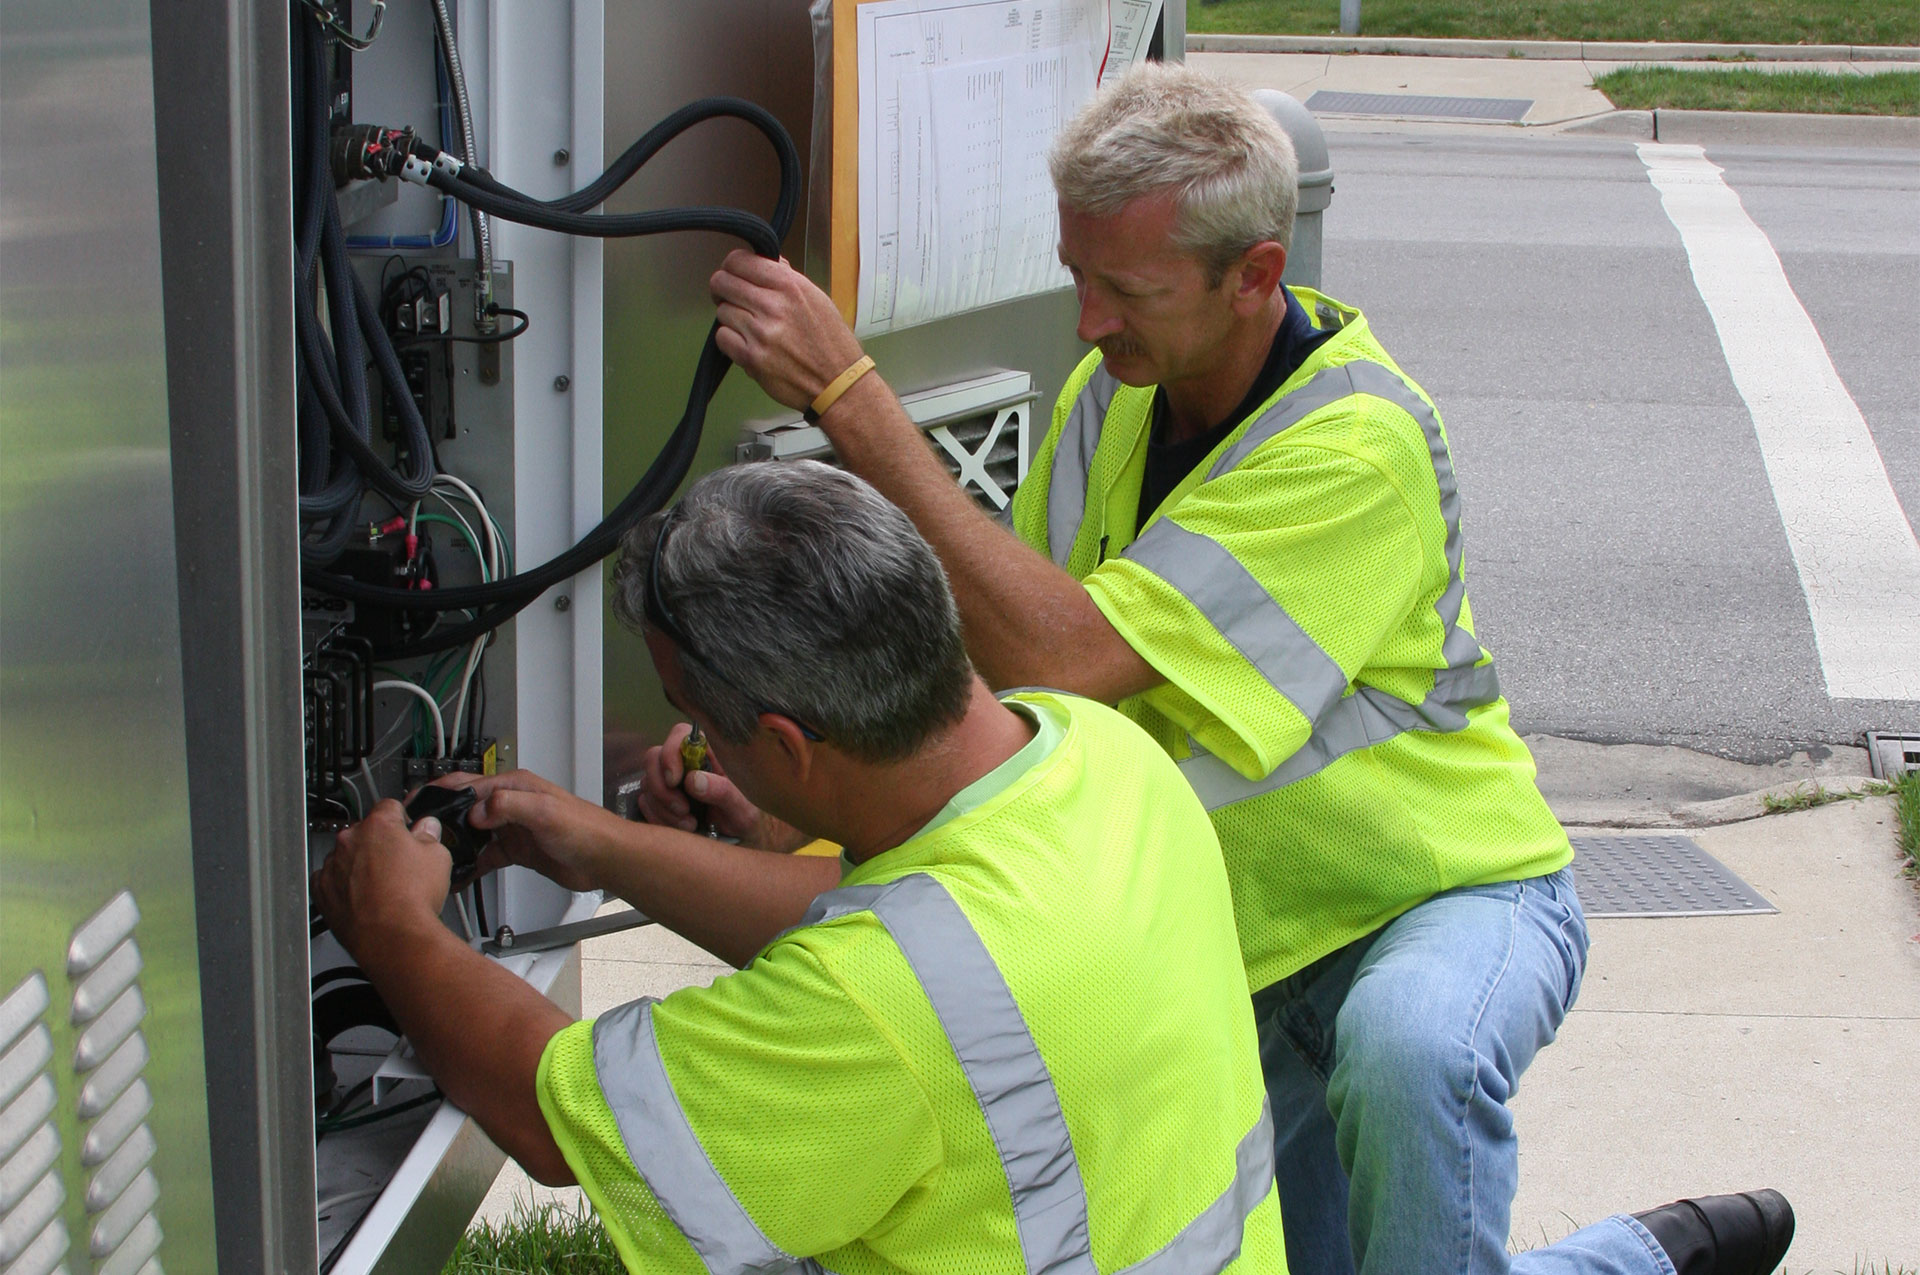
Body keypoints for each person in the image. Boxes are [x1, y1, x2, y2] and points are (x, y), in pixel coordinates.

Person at [703, 62, 1795, 1275]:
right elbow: (1005, 690)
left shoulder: (1355, 445)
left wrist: (853, 399)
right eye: (1078, 277)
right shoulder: (1112, 397)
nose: (1088, 322)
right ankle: (1641, 1259)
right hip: (1238, 948)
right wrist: (791, 810)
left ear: (1257, 276)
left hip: (1437, 908)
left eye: (1125, 289)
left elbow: (1071, 657)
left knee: (1410, 1050)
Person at [313, 460, 1288, 1275]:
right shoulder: (1099, 752)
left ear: (784, 744)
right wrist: (609, 846)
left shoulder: (876, 1009)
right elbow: (921, 947)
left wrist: (392, 922)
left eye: (696, 718)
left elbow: (544, 1108)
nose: (697, 744)